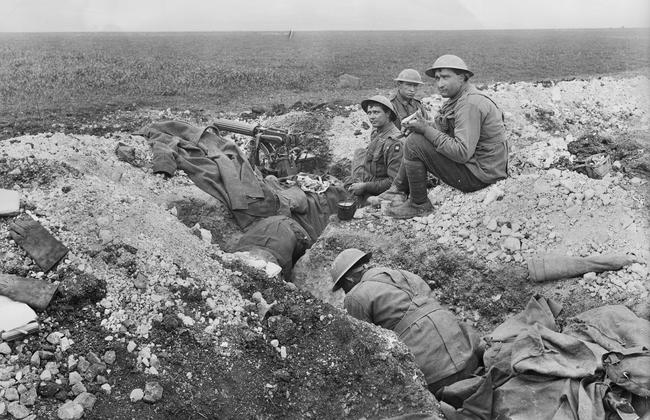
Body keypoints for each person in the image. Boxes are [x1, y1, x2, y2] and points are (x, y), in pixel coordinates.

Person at [330, 248, 481, 394]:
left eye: (344, 287)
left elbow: (364, 348)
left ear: (349, 279)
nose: (346, 292)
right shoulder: (404, 275)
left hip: (435, 378)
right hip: (470, 357)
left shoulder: (355, 296)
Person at [379, 55, 508, 219]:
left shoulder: (469, 104)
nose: (440, 84)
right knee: (417, 136)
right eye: (437, 78)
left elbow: (462, 152)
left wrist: (425, 130)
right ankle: (397, 191)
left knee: (413, 143)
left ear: (462, 77)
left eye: (446, 77)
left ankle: (418, 204)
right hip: (484, 169)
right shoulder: (460, 98)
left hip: (481, 176)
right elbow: (447, 133)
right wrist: (421, 127)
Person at [344, 95, 404, 206]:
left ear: (388, 114)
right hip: (371, 180)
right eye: (369, 112)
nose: (371, 117)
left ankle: (366, 199)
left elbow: (395, 182)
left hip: (382, 190)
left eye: (376, 112)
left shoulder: (395, 142)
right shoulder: (378, 133)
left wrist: (365, 186)